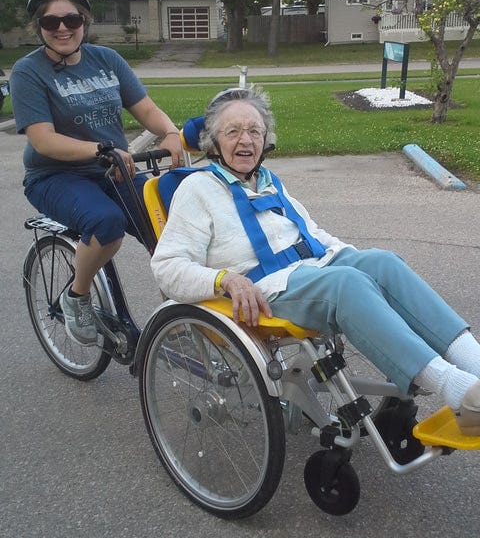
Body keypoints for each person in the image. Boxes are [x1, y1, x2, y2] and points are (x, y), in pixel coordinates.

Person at [151, 86, 480, 436]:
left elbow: (312, 234)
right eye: (233, 132)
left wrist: (354, 258)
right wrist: (225, 280)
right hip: (265, 290)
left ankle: (474, 364)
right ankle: (460, 392)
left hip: (310, 271)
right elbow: (167, 267)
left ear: (266, 139)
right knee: (346, 285)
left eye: (254, 131)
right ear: (214, 143)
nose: (245, 140)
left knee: (383, 263)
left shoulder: (268, 181)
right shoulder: (197, 189)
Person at [10, 0, 183, 347]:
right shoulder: (28, 72)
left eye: (71, 20)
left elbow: (146, 108)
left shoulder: (107, 60)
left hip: (113, 170)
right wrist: (102, 149)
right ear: (38, 26)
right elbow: (43, 140)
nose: (62, 29)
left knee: (166, 219)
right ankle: (77, 296)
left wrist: (170, 133)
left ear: (84, 21)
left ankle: (178, 307)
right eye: (50, 22)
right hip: (54, 175)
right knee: (106, 222)